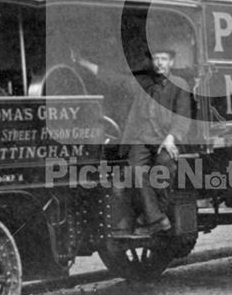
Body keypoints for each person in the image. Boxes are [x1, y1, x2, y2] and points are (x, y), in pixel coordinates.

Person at [73, 44, 191, 237]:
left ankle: (151, 217)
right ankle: (157, 219)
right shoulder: (141, 84)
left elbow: (183, 114)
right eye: (156, 59)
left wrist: (172, 138)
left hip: (166, 140)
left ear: (171, 62)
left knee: (164, 167)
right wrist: (83, 63)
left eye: (163, 59)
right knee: (135, 170)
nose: (159, 63)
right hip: (141, 140)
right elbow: (113, 80)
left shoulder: (180, 84)